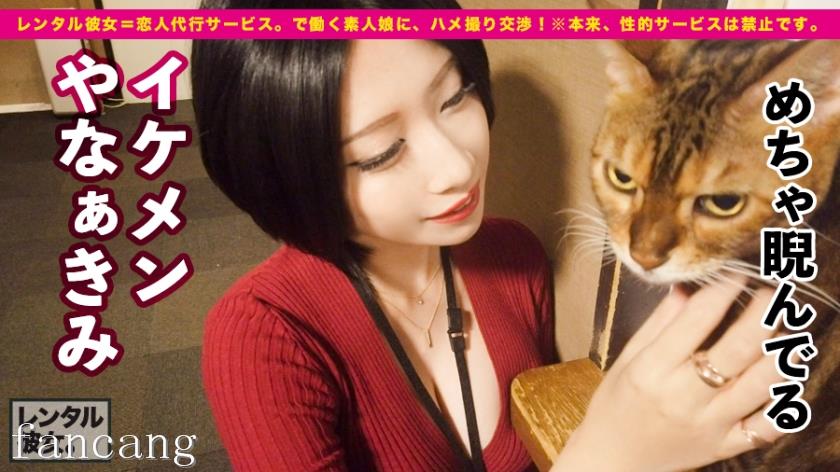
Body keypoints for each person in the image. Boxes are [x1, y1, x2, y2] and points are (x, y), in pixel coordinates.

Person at [192, 1, 784, 470]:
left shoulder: (514, 256)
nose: (457, 167)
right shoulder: (263, 339)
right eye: (379, 152)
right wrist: (605, 457)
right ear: (279, 174)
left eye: (455, 96)